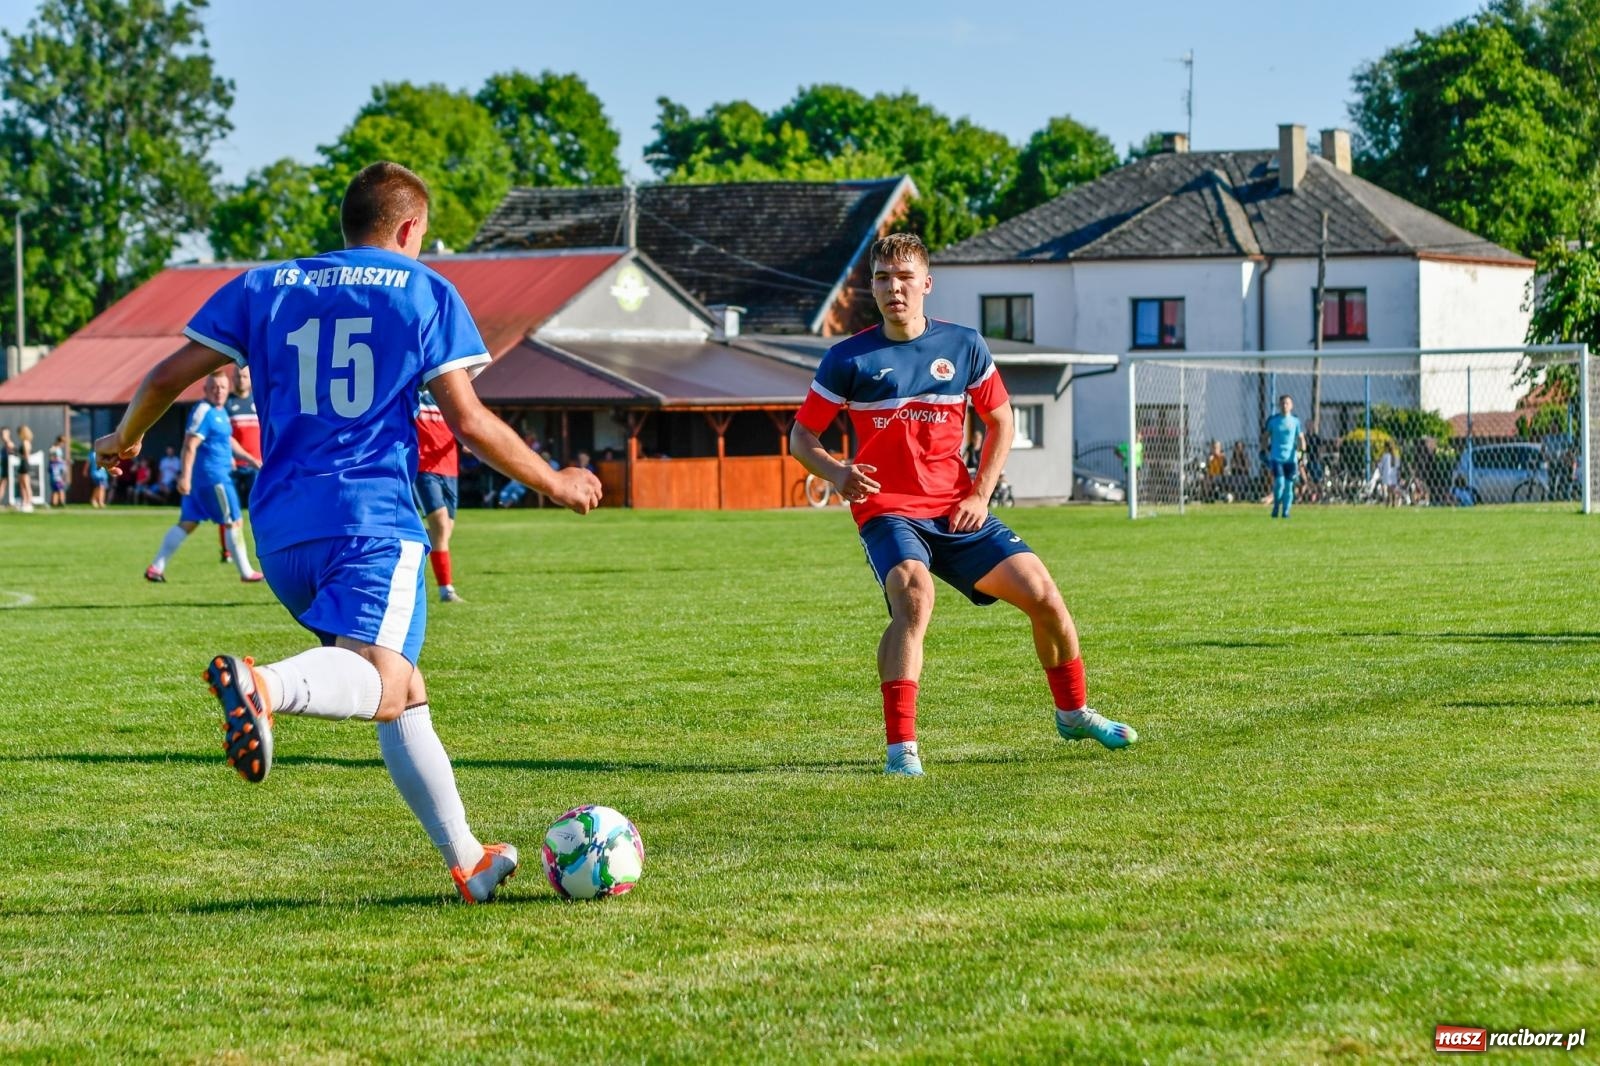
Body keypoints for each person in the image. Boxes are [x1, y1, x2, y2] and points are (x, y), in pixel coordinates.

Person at [95, 160, 603, 904]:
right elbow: (467, 419)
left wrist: (125, 439)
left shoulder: (264, 285)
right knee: (386, 683)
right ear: (407, 229)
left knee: (404, 686)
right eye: (423, 237)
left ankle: (468, 860)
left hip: (281, 531)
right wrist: (555, 481)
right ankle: (262, 685)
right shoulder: (426, 291)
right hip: (369, 519)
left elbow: (168, 376)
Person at [789, 233, 1136, 777]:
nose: (893, 288)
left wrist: (980, 492)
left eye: (904, 277)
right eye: (882, 278)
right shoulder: (846, 359)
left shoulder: (964, 345)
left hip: (958, 510)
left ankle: (1073, 714)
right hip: (889, 512)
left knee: (1045, 597)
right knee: (913, 598)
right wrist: (836, 471)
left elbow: (1002, 419)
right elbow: (801, 436)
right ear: (872, 288)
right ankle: (901, 751)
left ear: (926, 284)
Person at [141, 370, 266, 583]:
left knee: (189, 522)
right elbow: (190, 444)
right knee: (234, 521)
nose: (219, 391)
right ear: (206, 389)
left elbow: (227, 440)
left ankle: (156, 567)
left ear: (228, 390)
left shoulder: (220, 411)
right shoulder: (204, 411)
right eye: (215, 387)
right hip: (213, 477)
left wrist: (250, 459)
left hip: (205, 478)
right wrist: (185, 476)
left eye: (223, 388)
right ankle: (246, 572)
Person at [413, 388, 464, 602]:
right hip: (424, 468)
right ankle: (446, 590)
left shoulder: (445, 394)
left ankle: (409, 538)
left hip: (450, 468)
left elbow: (464, 420)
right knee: (441, 526)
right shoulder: (410, 393)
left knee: (443, 533)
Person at [220, 364, 263, 563]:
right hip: (233, 465)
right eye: (237, 376)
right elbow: (223, 435)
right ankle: (228, 551)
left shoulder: (259, 401)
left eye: (244, 376)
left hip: (256, 465)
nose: (241, 380)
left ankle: (261, 546)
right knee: (229, 510)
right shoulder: (226, 404)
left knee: (258, 508)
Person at [1260, 395, 1306, 519]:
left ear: (1291, 406)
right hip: (1277, 458)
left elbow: (1301, 439)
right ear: (1279, 405)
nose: (1284, 405)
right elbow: (1265, 436)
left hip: (1291, 460)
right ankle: (1276, 508)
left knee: (1289, 485)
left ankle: (1286, 512)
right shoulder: (1273, 421)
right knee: (1279, 483)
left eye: (1287, 403)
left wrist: (1301, 456)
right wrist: (1263, 450)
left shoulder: (1295, 421)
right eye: (1282, 403)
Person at [15, 425, 35, 512]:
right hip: (22, 463)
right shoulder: (25, 442)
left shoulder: (26, 442)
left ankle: (29, 503)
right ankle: (24, 502)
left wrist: (20, 455)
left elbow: (27, 455)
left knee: (26, 485)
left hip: (25, 464)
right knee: (22, 485)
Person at [1376, 440, 1400, 506]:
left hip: (1386, 474)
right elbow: (1398, 466)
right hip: (1393, 474)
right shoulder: (1395, 455)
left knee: (1388, 489)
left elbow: (1381, 465)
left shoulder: (1385, 456)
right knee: (1392, 489)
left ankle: (1388, 501)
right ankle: (1393, 502)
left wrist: (1378, 464)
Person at [48, 436, 69, 507]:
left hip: (59, 470)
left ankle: (56, 502)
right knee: (58, 487)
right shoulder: (53, 449)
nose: (62, 444)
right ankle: (59, 502)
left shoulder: (59, 449)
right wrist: (59, 461)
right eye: (62, 442)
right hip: (55, 471)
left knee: (58, 487)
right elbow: (51, 459)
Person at [0, 426, 14, 507]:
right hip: (2, 466)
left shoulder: (9, 443)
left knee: (3, 484)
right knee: (2, 485)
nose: (2, 435)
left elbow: (12, 452)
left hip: (5, 467)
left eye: (3, 433)